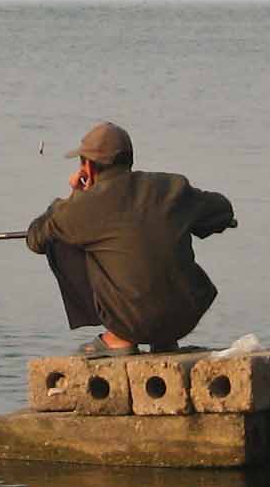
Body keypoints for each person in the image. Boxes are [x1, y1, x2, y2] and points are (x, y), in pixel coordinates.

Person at [26, 122, 236, 357]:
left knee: (61, 242)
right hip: (185, 316)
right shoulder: (172, 188)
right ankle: (164, 340)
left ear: (89, 167)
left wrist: (73, 196)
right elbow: (223, 211)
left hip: (130, 321)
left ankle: (118, 339)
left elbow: (36, 238)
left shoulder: (84, 206)